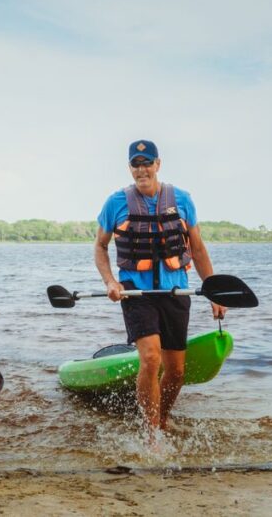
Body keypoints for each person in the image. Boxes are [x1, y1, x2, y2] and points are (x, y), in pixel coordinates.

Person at [94, 140, 225, 436]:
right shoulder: (115, 203)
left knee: (176, 371)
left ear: (158, 165)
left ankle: (161, 420)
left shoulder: (182, 199)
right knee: (151, 358)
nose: (142, 170)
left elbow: (199, 249)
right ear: (130, 168)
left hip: (175, 290)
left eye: (147, 163)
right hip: (136, 293)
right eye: (136, 164)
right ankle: (151, 432)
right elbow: (100, 248)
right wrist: (110, 282)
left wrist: (213, 290)